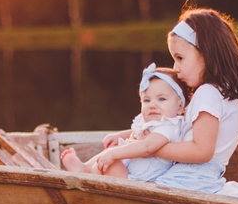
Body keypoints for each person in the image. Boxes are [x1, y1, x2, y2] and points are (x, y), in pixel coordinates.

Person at [150, 7, 238, 195]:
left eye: (180, 58)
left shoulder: (208, 93)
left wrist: (152, 149)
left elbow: (201, 151)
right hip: (201, 181)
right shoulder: (224, 92)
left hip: (188, 182)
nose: (175, 68)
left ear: (207, 53)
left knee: (122, 172)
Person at [59, 64, 188, 181]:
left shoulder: (170, 126)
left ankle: (90, 173)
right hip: (129, 167)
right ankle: (84, 168)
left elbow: (147, 147)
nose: (152, 105)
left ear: (179, 107)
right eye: (147, 100)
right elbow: (138, 132)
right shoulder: (151, 122)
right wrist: (120, 136)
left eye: (161, 99)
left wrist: (113, 154)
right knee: (111, 152)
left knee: (110, 159)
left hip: (137, 179)